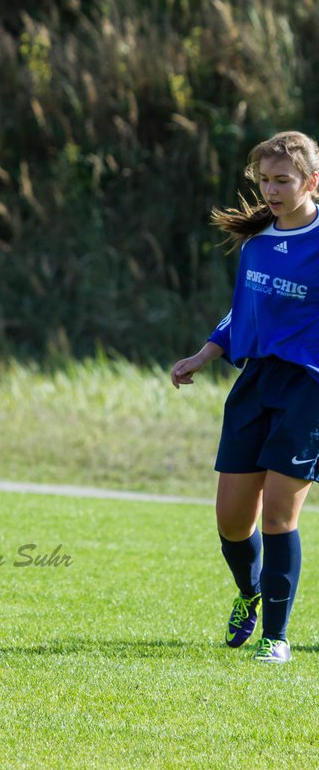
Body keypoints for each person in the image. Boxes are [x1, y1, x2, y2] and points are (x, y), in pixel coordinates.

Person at [170, 130, 319, 664]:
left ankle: (276, 639)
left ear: (311, 181)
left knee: (280, 514)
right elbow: (242, 313)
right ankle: (250, 593)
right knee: (233, 521)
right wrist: (204, 354)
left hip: (309, 389)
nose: (272, 190)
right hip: (255, 385)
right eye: (265, 180)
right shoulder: (257, 244)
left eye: (283, 180)